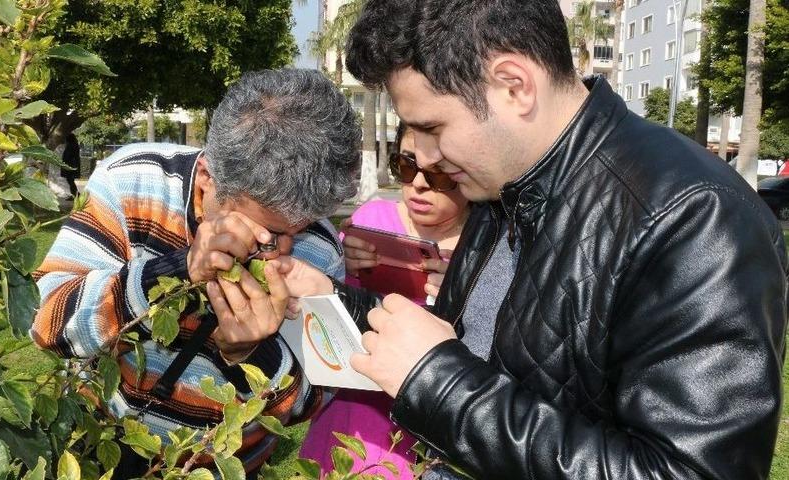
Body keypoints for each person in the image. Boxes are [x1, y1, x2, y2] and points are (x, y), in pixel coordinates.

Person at [278, 1, 789, 478]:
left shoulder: (696, 217)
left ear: (514, 85)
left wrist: (438, 384)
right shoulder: (501, 185)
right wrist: (325, 295)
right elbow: (469, 344)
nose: (426, 160)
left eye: (432, 127)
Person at [30, 69, 360, 477]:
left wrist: (251, 354)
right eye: (265, 233)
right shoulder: (132, 181)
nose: (280, 251)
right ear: (207, 177)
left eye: (298, 231)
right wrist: (174, 269)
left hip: (224, 465)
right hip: (99, 443)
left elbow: (310, 402)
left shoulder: (319, 249)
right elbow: (48, 321)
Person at [298, 123, 474, 478]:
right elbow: (322, 327)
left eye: (439, 176)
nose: (419, 184)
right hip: (352, 420)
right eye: (407, 167)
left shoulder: (485, 249)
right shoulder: (370, 220)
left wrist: (463, 298)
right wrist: (341, 269)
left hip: (431, 433)